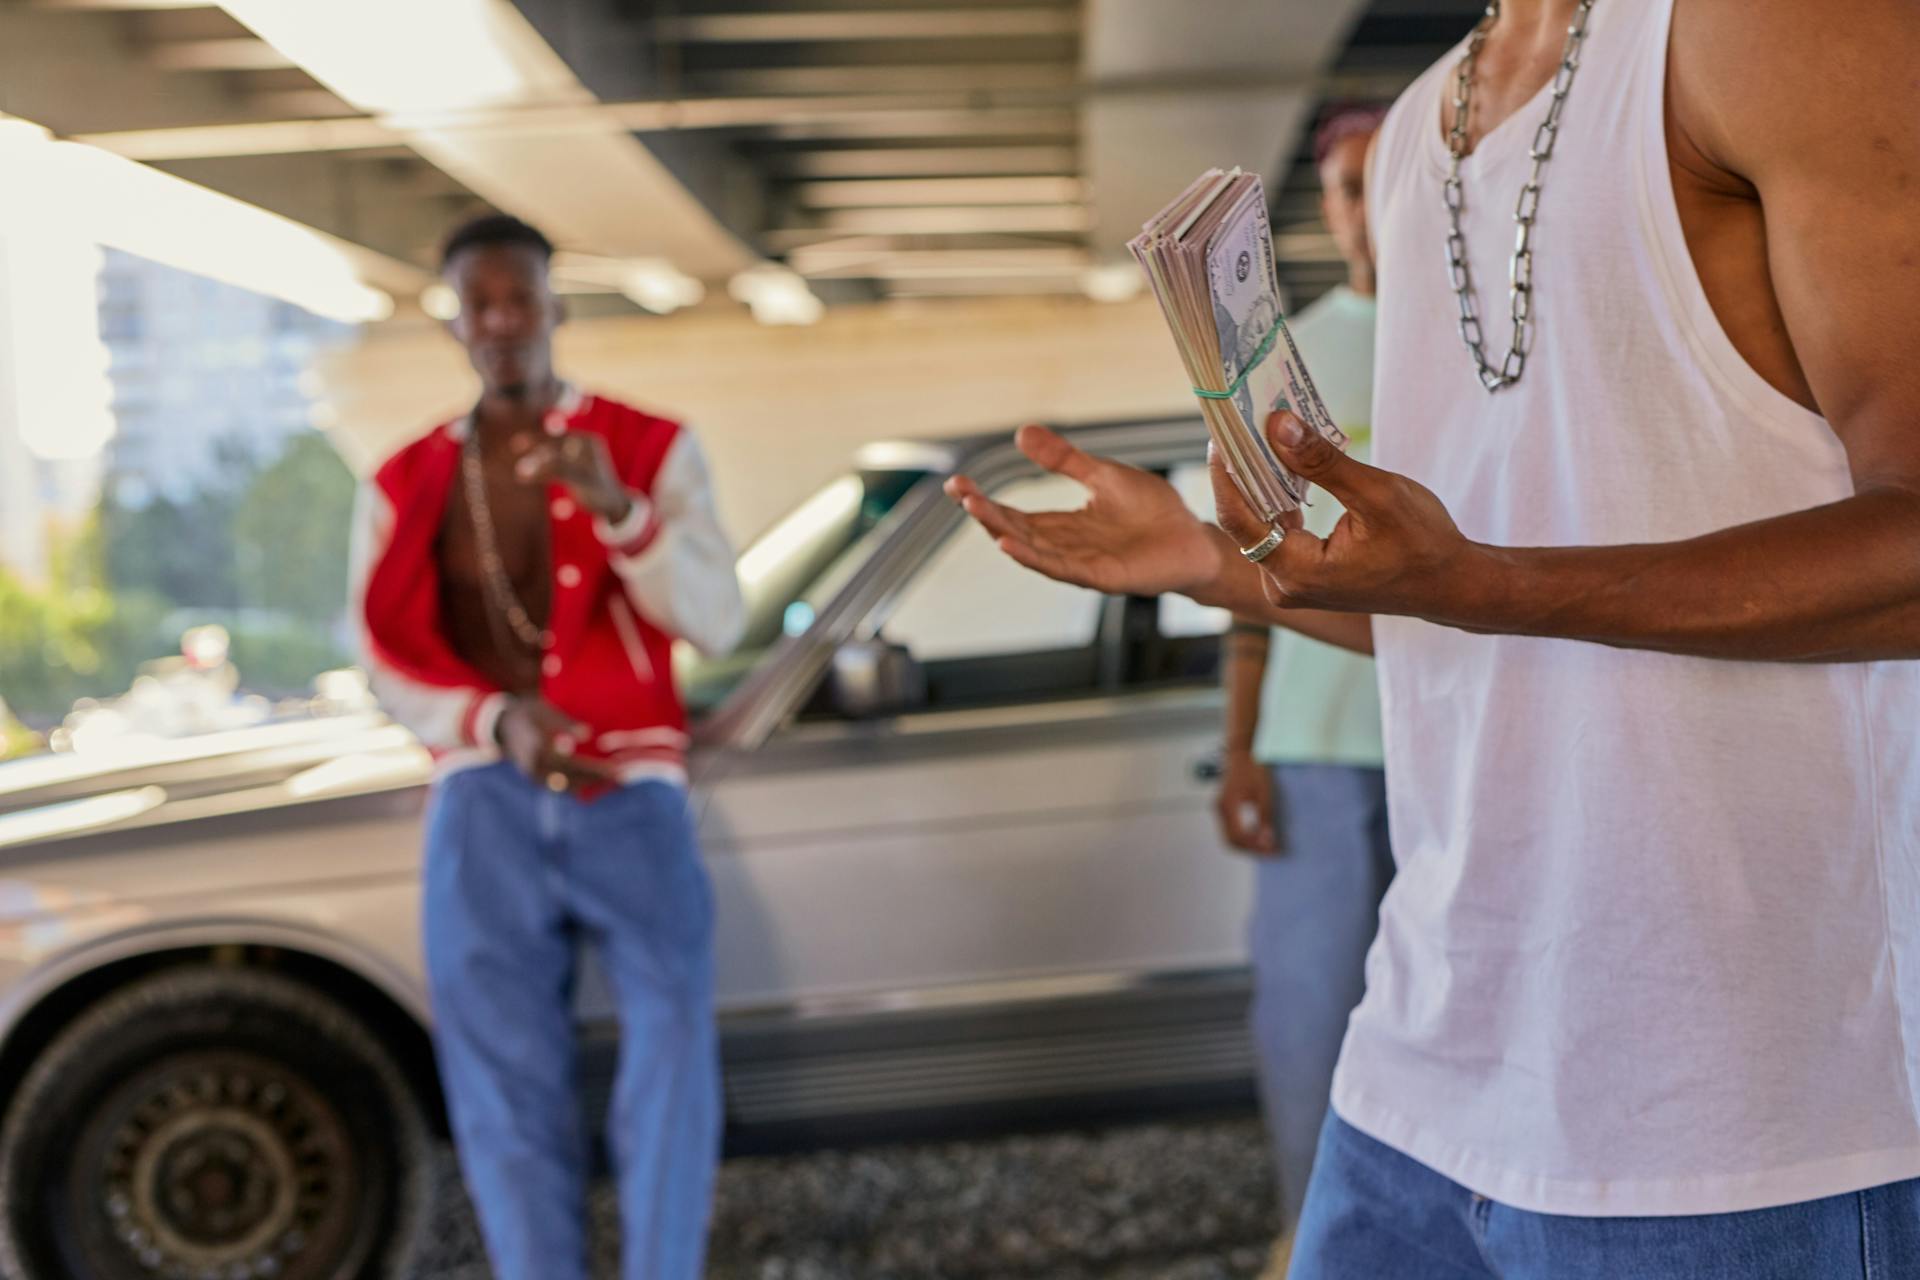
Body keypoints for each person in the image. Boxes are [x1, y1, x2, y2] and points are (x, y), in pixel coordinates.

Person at [947, 0, 1920, 1274]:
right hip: (1422, 1071)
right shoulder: (1416, 129)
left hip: (1737, 1115)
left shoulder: (1778, 30)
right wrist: (1206, 556)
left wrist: (1488, 583)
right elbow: (1451, 611)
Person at [350, 213, 744, 1280]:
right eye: (479, 303)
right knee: (501, 1086)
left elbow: (717, 617)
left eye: (520, 296)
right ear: (455, 322)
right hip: (484, 799)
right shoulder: (404, 479)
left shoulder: (651, 444)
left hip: (632, 789)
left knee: (671, 1054)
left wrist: (620, 510)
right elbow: (381, 656)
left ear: (555, 306)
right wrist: (494, 721)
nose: (502, 320)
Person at [1212, 105, 1393, 1250]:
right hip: (1317, 745)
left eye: (1388, 182)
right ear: (1325, 208)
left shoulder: (1493, 343)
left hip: (1464, 735)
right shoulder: (1283, 357)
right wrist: (1239, 745)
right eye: (1348, 187)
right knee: (1311, 1023)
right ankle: (1314, 1247)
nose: (1368, 208)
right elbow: (1244, 570)